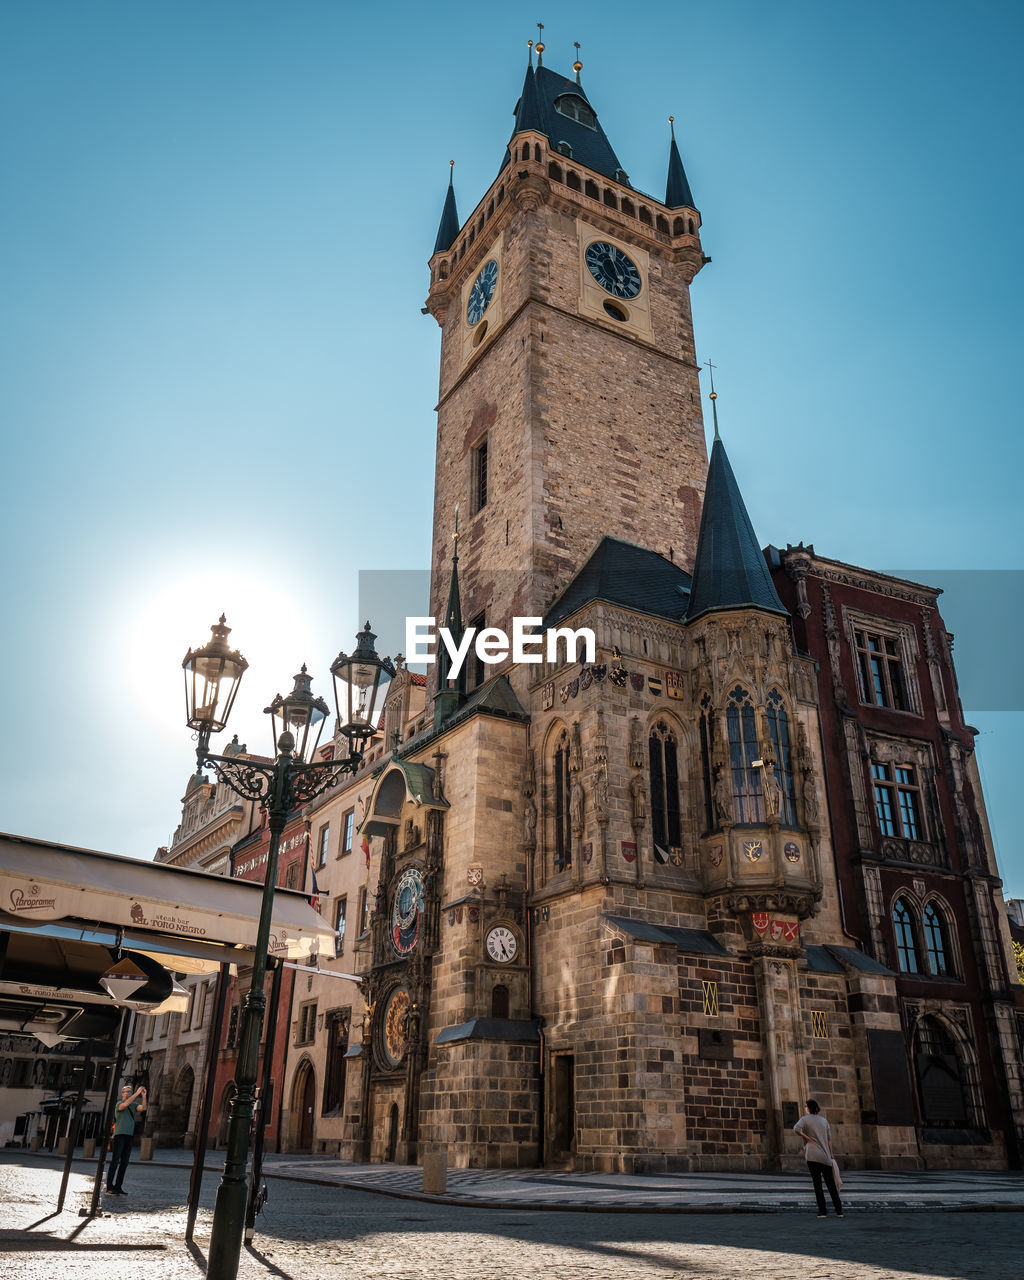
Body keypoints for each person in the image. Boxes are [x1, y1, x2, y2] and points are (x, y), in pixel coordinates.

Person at [793, 1098, 843, 1218]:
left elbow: (796, 1128)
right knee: (831, 1184)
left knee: (817, 1184)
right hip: (825, 1156)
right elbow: (829, 1139)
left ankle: (823, 1211)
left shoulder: (804, 1119)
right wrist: (831, 1154)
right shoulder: (824, 1120)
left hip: (812, 1155)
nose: (805, 1108)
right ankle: (839, 1210)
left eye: (806, 1106)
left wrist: (807, 1138)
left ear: (809, 1108)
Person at [106, 1083, 147, 1197]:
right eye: (127, 1091)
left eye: (130, 1091)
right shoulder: (119, 1104)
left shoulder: (133, 1105)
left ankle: (118, 1187)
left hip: (129, 1135)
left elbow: (143, 1108)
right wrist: (137, 1093)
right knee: (115, 1161)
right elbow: (125, 1105)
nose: (129, 1093)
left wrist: (143, 1096)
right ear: (122, 1093)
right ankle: (109, 1187)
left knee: (124, 1163)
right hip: (119, 1135)